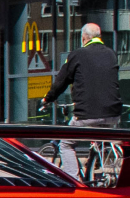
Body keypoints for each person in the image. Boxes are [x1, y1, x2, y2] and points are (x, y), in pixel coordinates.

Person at [41, 22, 121, 181]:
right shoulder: (111, 54)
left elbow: (61, 81)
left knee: (66, 144)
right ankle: (94, 167)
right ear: (100, 37)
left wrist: (48, 98)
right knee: (98, 136)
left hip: (87, 113)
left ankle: (74, 180)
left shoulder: (77, 54)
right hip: (113, 114)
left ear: (84, 38)